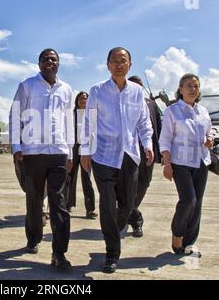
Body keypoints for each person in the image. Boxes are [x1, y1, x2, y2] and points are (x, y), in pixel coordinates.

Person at [80, 47, 154, 273]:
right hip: (103, 155)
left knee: (128, 203)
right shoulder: (98, 90)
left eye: (123, 61)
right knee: (107, 203)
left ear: (130, 65)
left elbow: (143, 121)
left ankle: (115, 230)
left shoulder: (137, 91)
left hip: (129, 155)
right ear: (107, 65)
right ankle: (112, 252)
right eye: (114, 61)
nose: (119, 64)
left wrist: (148, 144)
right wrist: (85, 150)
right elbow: (88, 123)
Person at [9, 48, 74, 269]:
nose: (50, 61)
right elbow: (15, 115)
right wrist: (17, 146)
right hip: (32, 152)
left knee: (59, 203)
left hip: (58, 152)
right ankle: (34, 237)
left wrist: (70, 152)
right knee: (34, 200)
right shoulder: (27, 86)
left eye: (53, 59)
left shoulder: (66, 89)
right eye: (45, 59)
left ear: (58, 64)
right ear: (39, 64)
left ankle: (59, 253)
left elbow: (68, 121)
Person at [159, 73, 214, 256]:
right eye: (189, 85)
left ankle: (189, 243)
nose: (193, 89)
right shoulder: (172, 111)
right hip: (179, 162)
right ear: (180, 89)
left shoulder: (203, 111)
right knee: (188, 200)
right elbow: (165, 139)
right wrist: (167, 164)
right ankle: (177, 234)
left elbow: (209, 130)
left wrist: (210, 138)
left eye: (196, 86)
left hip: (201, 161)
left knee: (197, 204)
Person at [127, 76, 161, 237]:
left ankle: (128, 211)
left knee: (144, 183)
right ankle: (135, 220)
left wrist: (159, 152)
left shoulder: (151, 104)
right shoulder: (124, 102)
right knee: (126, 185)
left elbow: (157, 127)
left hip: (147, 150)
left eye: (139, 86)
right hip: (128, 150)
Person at [64, 91, 97, 219]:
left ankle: (90, 209)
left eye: (86, 98)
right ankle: (67, 205)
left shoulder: (92, 115)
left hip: (86, 149)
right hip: (74, 147)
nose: (83, 100)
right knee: (70, 177)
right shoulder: (71, 115)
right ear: (77, 101)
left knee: (86, 178)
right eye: (81, 98)